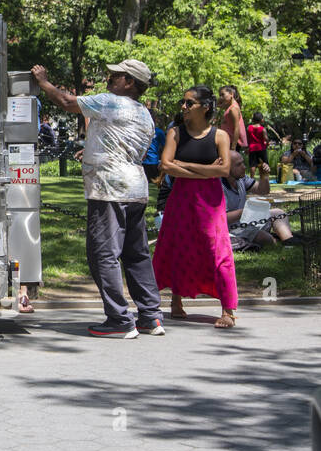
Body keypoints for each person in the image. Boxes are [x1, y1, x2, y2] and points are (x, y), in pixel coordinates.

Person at [32, 59, 163, 339]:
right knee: (136, 254)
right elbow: (121, 143)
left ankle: (119, 318)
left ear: (129, 82)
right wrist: (92, 149)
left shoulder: (112, 102)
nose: (109, 78)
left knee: (103, 253)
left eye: (115, 75)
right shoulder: (144, 113)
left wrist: (43, 82)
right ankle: (150, 316)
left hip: (109, 190)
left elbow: (67, 102)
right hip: (135, 189)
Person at [152, 85, 237, 328]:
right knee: (177, 245)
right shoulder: (176, 133)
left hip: (210, 201)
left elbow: (224, 170)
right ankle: (175, 302)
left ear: (205, 107)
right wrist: (206, 170)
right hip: (181, 199)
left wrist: (186, 167)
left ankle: (228, 310)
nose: (184, 107)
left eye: (189, 103)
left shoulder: (220, 135)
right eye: (184, 102)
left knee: (217, 251)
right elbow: (166, 165)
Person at [223, 151, 295, 249]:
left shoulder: (241, 179)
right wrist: (245, 212)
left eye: (243, 163)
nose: (244, 167)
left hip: (244, 222)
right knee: (266, 238)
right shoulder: (218, 187)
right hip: (230, 229)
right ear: (227, 167)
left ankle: (289, 242)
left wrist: (264, 176)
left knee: (278, 213)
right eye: (239, 164)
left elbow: (263, 191)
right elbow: (221, 219)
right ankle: (275, 240)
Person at [218, 85, 247, 153]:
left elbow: (237, 128)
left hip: (232, 143)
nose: (221, 97)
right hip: (229, 141)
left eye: (222, 95)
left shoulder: (233, 109)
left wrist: (233, 148)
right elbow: (218, 105)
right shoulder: (229, 107)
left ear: (231, 94)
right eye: (220, 95)